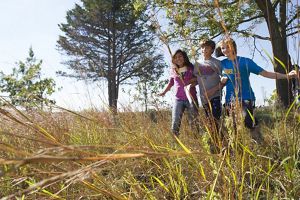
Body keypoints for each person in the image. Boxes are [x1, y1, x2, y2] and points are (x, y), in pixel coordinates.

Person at [214, 38, 298, 143]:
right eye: (223, 48)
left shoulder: (245, 61)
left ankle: (260, 143)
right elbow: (213, 76)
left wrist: (286, 76)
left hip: (246, 97)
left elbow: (265, 73)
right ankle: (240, 150)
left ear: (234, 47)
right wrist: (221, 81)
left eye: (228, 46)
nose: (225, 50)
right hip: (230, 100)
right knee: (233, 127)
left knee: (249, 122)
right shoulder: (221, 64)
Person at [159, 49, 199, 137]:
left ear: (184, 57)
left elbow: (198, 79)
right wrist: (164, 92)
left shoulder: (191, 67)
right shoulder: (174, 70)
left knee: (194, 122)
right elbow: (171, 83)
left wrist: (191, 81)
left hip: (191, 98)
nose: (178, 58)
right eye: (176, 57)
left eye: (180, 56)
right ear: (174, 60)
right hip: (178, 99)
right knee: (175, 121)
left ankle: (197, 141)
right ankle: (175, 141)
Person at [193, 39, 224, 151]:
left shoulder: (217, 63)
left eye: (206, 47)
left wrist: (213, 90)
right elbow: (194, 79)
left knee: (215, 119)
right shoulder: (196, 64)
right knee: (209, 121)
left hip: (215, 96)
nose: (203, 50)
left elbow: (225, 79)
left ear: (212, 50)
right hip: (204, 98)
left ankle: (219, 144)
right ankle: (214, 144)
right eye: (202, 47)